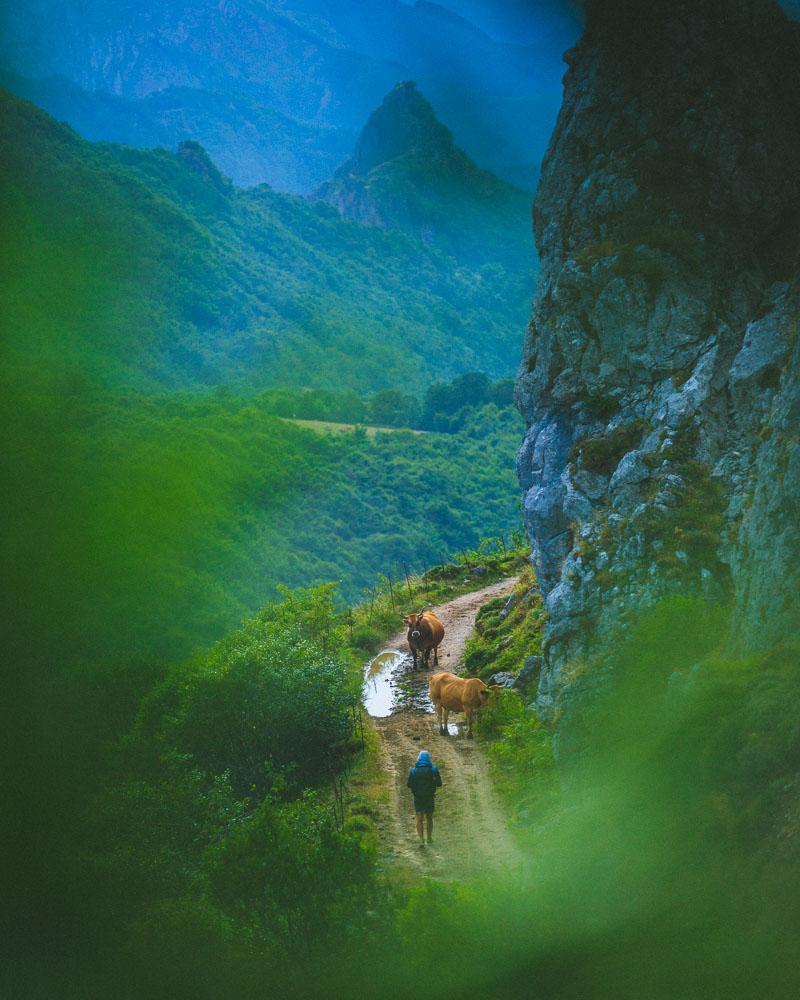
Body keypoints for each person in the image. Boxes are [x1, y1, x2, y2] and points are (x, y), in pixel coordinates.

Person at [407, 749, 442, 847]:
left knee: (419, 819)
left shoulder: (413, 770)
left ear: (419, 759)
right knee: (429, 818)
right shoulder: (433, 769)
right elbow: (439, 783)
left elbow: (409, 784)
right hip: (429, 797)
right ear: (428, 759)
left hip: (418, 798)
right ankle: (429, 837)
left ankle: (421, 839)